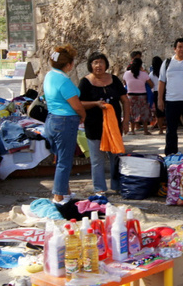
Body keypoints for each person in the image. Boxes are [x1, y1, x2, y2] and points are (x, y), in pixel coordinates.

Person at [79, 52, 131, 195]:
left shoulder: (114, 79)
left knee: (116, 156)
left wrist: (126, 121)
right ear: (90, 65)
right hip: (94, 126)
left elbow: (125, 100)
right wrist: (95, 103)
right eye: (95, 62)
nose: (98, 65)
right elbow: (79, 103)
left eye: (101, 62)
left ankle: (118, 185)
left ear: (106, 64)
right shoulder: (85, 82)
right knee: (97, 159)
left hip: (114, 127)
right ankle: (99, 188)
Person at [42, 45, 87, 204]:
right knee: (65, 161)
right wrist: (83, 115)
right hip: (65, 121)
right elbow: (76, 105)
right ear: (69, 65)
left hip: (52, 120)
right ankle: (59, 196)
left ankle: (64, 191)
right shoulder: (64, 80)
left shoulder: (49, 75)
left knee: (60, 158)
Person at [157, 38, 183, 156]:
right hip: (171, 101)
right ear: (175, 49)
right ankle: (171, 154)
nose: (182, 49)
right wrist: (160, 99)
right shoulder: (167, 63)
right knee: (171, 130)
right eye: (179, 47)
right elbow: (161, 81)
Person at [122, 57, 153, 135]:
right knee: (144, 113)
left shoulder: (126, 73)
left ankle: (132, 130)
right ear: (140, 65)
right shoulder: (144, 74)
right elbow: (151, 85)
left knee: (132, 113)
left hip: (131, 96)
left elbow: (125, 83)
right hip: (142, 96)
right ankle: (145, 130)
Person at [149, 56, 165, 134]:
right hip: (165, 91)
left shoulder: (151, 74)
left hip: (156, 92)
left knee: (159, 111)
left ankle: (160, 129)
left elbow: (150, 85)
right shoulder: (164, 72)